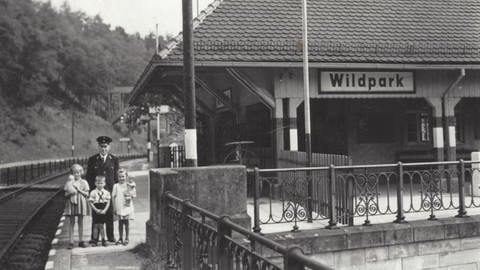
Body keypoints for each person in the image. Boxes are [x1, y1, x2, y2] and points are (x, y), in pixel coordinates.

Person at [86, 135, 119, 243]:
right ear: (98, 147)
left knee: (109, 215)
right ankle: (94, 238)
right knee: (96, 215)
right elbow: (89, 177)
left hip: (109, 192)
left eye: (105, 146)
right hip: (96, 193)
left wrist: (115, 193)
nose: (103, 149)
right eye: (101, 146)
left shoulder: (114, 160)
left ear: (109, 147)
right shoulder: (92, 160)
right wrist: (91, 192)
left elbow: (116, 177)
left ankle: (110, 236)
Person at [112, 168, 136, 245]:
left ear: (126, 176)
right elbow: (113, 196)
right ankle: (120, 237)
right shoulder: (116, 186)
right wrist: (114, 207)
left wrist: (130, 194)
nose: (121, 178)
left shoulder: (129, 185)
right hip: (119, 206)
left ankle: (127, 238)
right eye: (120, 176)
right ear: (117, 177)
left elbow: (134, 195)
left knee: (126, 222)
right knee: (120, 223)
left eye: (123, 176)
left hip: (126, 206)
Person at [88, 176, 111, 247]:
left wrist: (105, 210)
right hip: (96, 208)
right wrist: (95, 210)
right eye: (98, 183)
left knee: (101, 225)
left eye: (101, 183)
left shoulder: (106, 192)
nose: (100, 185)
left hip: (103, 208)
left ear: (104, 184)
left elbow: (108, 202)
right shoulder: (93, 192)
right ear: (95, 183)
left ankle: (104, 239)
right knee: (95, 225)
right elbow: (91, 202)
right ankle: (95, 240)